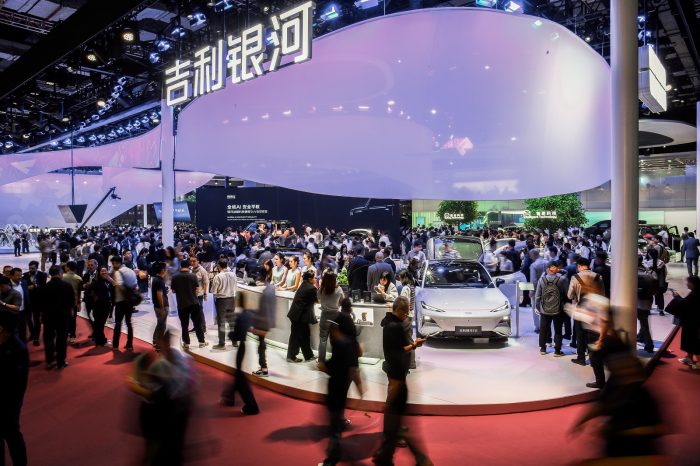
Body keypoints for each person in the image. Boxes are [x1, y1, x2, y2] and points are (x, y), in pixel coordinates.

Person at [569, 332, 664, 459]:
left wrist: (618, 430)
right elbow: (603, 404)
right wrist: (582, 421)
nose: (614, 367)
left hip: (640, 454)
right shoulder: (615, 381)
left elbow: (658, 428)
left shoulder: (641, 391)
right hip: (615, 450)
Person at [373, 297, 431, 466]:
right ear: (398, 310)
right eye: (405, 313)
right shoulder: (395, 327)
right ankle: (419, 458)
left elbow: (396, 350)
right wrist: (414, 346)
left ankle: (392, 453)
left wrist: (413, 345)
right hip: (397, 377)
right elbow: (397, 353)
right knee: (394, 419)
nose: (406, 316)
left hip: (396, 376)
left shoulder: (389, 323)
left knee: (395, 421)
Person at [129, 330, 195, 466]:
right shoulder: (166, 362)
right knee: (166, 442)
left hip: (173, 407)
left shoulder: (164, 363)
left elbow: (143, 386)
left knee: (165, 442)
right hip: (171, 407)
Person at [318, 314, 357, 466]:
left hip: (336, 389)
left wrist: (324, 366)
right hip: (342, 390)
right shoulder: (351, 343)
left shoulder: (341, 345)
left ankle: (331, 460)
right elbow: (353, 368)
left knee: (334, 429)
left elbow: (334, 366)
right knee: (336, 424)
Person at [220, 293, 260, 415]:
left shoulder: (241, 316)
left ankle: (252, 405)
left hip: (242, 347)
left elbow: (236, 335)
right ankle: (229, 397)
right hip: (246, 346)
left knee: (240, 378)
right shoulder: (247, 314)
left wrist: (230, 333)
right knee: (239, 375)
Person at [567, 257, 605, 377]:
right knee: (593, 335)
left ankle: (581, 358)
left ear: (579, 266)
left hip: (581, 310)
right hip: (595, 310)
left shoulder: (575, 277)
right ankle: (594, 360)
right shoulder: (598, 277)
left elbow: (569, 295)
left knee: (580, 334)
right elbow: (602, 294)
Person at [0, 311, 29, 466]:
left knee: (12, 435)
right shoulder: (5, 343)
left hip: (9, 403)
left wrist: (12, 405)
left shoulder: (17, 349)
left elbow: (17, 384)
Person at [40, 265, 74, 369]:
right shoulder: (67, 286)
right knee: (62, 339)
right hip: (63, 316)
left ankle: (49, 360)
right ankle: (61, 361)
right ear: (60, 273)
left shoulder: (44, 287)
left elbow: (41, 304)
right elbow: (71, 302)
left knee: (48, 338)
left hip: (48, 316)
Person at [170, 260, 208, 350]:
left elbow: (173, 291)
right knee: (197, 323)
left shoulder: (175, 277)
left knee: (184, 325)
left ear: (180, 266)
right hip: (194, 303)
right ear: (189, 267)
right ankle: (201, 342)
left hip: (182, 304)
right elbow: (198, 289)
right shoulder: (193, 276)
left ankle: (186, 343)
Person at [533, 260, 568, 356]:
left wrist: (537, 307)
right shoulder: (561, 279)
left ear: (547, 269)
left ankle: (543, 349)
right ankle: (557, 351)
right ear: (557, 269)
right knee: (558, 330)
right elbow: (566, 293)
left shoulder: (542, 280)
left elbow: (537, 295)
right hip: (558, 309)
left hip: (544, 309)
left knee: (544, 329)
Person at [665, 276, 700, 370]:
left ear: (693, 284)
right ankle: (689, 357)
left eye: (688, 282)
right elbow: (687, 303)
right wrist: (679, 298)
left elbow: (686, 304)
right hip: (690, 320)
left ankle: (698, 362)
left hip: (694, 322)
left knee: (694, 341)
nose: (687, 284)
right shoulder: (694, 292)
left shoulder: (696, 294)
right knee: (689, 339)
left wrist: (676, 297)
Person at [107, 256, 138, 351]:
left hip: (121, 301)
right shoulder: (131, 271)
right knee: (129, 323)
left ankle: (115, 346)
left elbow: (120, 286)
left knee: (118, 324)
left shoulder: (118, 272)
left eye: (114, 264)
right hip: (130, 302)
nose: (113, 266)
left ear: (118, 263)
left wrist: (123, 293)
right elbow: (135, 285)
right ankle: (129, 345)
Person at [286, 271, 317, 362]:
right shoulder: (311, 288)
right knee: (296, 336)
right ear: (310, 279)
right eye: (314, 278)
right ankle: (291, 356)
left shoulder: (303, 284)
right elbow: (318, 300)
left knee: (304, 334)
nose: (315, 279)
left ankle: (308, 355)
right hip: (299, 316)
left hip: (297, 315)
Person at [210, 258, 238, 350]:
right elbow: (236, 288)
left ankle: (221, 344)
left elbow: (214, 291)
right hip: (232, 299)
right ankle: (234, 341)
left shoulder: (218, 276)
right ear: (227, 265)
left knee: (221, 322)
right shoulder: (233, 274)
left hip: (221, 300)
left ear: (218, 266)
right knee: (231, 321)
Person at [317, 271, 344, 363]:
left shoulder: (321, 289)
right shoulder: (338, 289)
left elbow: (318, 298)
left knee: (323, 340)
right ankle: (336, 361)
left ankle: (321, 361)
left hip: (324, 316)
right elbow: (342, 301)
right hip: (335, 317)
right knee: (336, 340)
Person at [252, 282, 276, 377]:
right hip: (266, 322)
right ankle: (263, 366)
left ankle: (264, 368)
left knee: (261, 345)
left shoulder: (267, 292)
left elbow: (264, 309)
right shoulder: (271, 290)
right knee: (261, 344)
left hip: (263, 323)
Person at [22, 261, 47, 346]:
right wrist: (27, 288)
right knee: (28, 319)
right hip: (28, 301)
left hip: (38, 301)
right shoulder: (25, 275)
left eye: (33, 268)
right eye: (30, 268)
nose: (31, 270)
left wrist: (36, 286)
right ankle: (32, 333)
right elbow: (23, 287)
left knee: (36, 320)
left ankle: (36, 337)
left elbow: (44, 287)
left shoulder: (42, 275)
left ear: (37, 267)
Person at [637, 259, 657, 354]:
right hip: (649, 300)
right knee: (644, 320)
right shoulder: (647, 269)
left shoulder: (634, 273)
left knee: (644, 323)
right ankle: (640, 337)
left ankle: (649, 345)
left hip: (640, 301)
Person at [61, 261, 82, 344]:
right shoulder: (78, 278)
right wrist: (79, 303)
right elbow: (79, 292)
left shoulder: (62, 276)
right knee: (73, 319)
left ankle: (64, 334)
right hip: (74, 302)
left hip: (63, 302)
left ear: (68, 267)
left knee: (63, 319)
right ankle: (72, 335)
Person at [150, 262, 169, 350]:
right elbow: (159, 294)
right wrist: (162, 308)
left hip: (157, 306)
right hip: (161, 306)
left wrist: (165, 291)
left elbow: (159, 293)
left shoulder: (155, 279)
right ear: (162, 270)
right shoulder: (160, 281)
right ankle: (159, 345)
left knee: (159, 324)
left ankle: (155, 340)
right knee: (162, 326)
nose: (167, 270)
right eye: (166, 269)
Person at [643, 248, 667, 315]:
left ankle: (648, 309)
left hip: (649, 282)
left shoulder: (646, 263)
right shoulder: (661, 263)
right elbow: (665, 273)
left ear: (649, 255)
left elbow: (645, 273)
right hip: (659, 283)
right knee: (660, 296)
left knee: (649, 296)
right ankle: (661, 310)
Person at [190, 255, 209, 335]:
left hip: (199, 295)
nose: (192, 263)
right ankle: (196, 326)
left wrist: (205, 294)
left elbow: (206, 283)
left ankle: (203, 328)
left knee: (199, 311)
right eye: (191, 261)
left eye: (194, 261)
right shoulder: (191, 269)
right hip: (191, 295)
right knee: (193, 312)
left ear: (198, 261)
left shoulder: (202, 270)